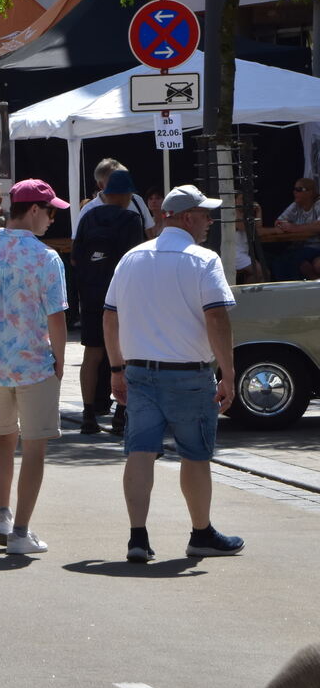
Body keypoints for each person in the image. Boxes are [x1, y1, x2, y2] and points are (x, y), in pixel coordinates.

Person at [104, 184, 244, 562]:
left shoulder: (132, 257)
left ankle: (137, 536)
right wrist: (228, 374)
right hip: (187, 374)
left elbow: (109, 316)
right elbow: (216, 316)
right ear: (187, 217)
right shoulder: (203, 260)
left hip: (140, 372)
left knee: (140, 452)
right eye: (204, 214)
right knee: (195, 454)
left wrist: (117, 368)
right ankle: (201, 533)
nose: (209, 221)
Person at [0, 179, 68, 555]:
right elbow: (56, 317)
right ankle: (21, 532)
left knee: (3, 438)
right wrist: (60, 360)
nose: (53, 219)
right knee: (34, 447)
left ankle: (3, 514)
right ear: (34, 210)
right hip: (34, 363)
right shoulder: (45, 257)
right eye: (50, 211)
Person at [72, 169, 144, 435]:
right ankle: (121, 415)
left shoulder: (88, 216)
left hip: (91, 295)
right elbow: (135, 261)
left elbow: (76, 258)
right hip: (121, 297)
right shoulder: (131, 220)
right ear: (125, 195)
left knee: (92, 354)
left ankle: (88, 415)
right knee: (125, 355)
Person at [77, 158, 156, 238]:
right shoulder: (88, 210)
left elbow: (150, 233)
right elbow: (77, 242)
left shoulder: (137, 200)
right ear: (100, 185)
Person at [271, 177, 320, 280]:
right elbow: (278, 222)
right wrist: (283, 226)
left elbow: (318, 226)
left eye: (299, 189)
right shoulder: (296, 204)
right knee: (279, 261)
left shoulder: (318, 204)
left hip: (316, 246)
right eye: (294, 189)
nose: (294, 192)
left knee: (295, 260)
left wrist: (293, 228)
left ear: (310, 192)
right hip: (299, 246)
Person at [233, 191, 268, 284]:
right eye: (242, 199)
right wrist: (275, 230)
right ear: (235, 200)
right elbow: (251, 230)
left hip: (243, 253)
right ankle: (247, 296)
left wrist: (258, 211)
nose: (245, 201)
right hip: (234, 254)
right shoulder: (232, 213)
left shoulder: (245, 214)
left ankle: (250, 295)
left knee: (262, 274)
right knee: (259, 271)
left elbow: (258, 228)